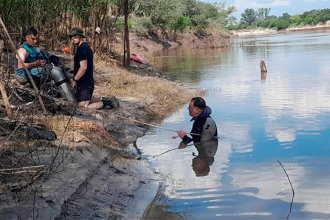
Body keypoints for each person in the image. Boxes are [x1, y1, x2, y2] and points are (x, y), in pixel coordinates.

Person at [68, 27, 114, 109]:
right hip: (84, 82)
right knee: (79, 102)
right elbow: (87, 65)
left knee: (83, 106)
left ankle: (106, 103)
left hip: (85, 83)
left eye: (75, 36)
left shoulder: (82, 48)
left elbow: (84, 67)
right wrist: (74, 70)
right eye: (72, 36)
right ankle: (102, 99)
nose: (73, 38)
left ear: (81, 36)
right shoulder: (84, 47)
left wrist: (74, 80)